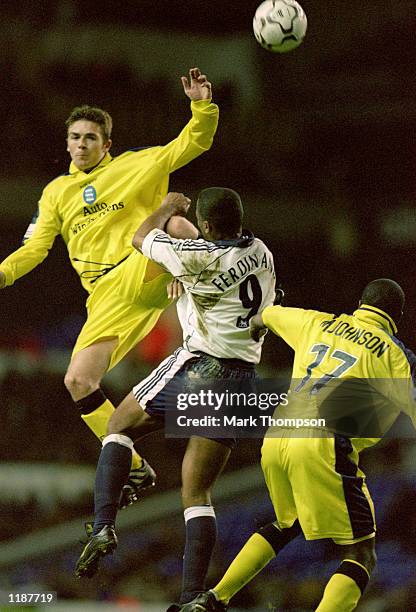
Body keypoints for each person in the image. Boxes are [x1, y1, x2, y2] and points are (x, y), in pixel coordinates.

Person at [0, 68, 219, 506]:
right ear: (66, 143)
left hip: (141, 264)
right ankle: (133, 466)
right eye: (75, 137)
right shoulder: (55, 194)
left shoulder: (137, 164)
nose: (82, 145)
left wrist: (201, 105)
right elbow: (34, 250)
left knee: (174, 220)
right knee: (79, 380)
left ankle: (199, 280)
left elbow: (193, 142)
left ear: (107, 145)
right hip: (104, 296)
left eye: (90, 138)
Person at [74, 187, 277, 608]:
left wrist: (166, 208)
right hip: (241, 379)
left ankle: (102, 525)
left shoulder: (195, 258)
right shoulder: (261, 251)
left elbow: (140, 237)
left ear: (205, 226)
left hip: (203, 367)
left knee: (119, 426)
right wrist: (184, 285)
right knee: (197, 492)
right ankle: (191, 597)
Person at [181, 278, 416, 612]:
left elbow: (263, 316)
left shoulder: (315, 321)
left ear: (362, 303)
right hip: (325, 442)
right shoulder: (397, 356)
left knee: (286, 523)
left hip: (279, 434)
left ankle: (214, 598)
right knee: (360, 553)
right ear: (397, 316)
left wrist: (256, 323)